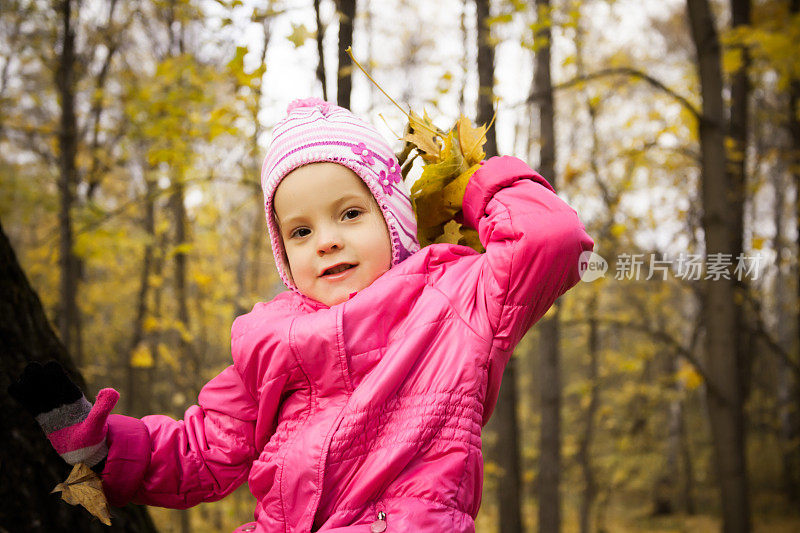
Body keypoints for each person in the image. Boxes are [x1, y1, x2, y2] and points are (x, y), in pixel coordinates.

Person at [9, 98, 594, 532]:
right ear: (283, 250)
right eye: (302, 230)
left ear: (392, 219)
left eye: (349, 214)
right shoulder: (271, 340)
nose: (326, 241)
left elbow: (554, 237)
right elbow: (205, 449)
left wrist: (474, 182)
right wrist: (109, 448)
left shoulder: (455, 300)